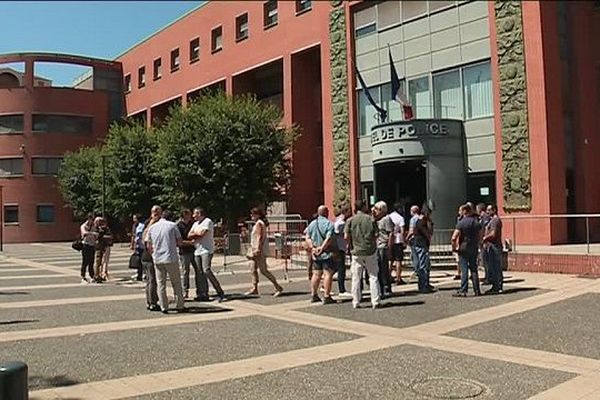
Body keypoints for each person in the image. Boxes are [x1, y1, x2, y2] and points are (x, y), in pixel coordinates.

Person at [146, 206, 186, 314]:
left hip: (158, 258)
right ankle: (180, 305)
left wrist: (153, 254)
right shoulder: (172, 226)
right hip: (170, 257)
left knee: (161, 284)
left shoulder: (152, 227)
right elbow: (179, 242)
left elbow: (148, 244)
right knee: (176, 282)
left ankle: (164, 306)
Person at [344, 199, 381, 309]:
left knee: (356, 277)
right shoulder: (371, 219)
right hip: (370, 250)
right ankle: (375, 301)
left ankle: (356, 301)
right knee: (373, 276)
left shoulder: (350, 220)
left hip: (356, 251)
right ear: (364, 207)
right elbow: (377, 235)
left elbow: (346, 236)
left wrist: (351, 245)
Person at [188, 208, 225, 302]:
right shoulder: (195, 224)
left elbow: (202, 235)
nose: (193, 216)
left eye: (195, 214)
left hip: (206, 250)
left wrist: (195, 235)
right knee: (199, 272)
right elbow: (189, 235)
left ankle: (219, 290)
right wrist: (195, 234)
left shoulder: (207, 221)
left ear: (200, 213)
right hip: (197, 250)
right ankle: (202, 293)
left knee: (206, 270)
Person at [245, 207, 283, 297]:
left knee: (263, 270)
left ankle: (278, 287)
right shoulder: (259, 223)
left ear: (257, 215)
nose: (251, 216)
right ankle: (254, 288)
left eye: (253, 214)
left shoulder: (259, 223)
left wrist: (258, 248)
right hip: (254, 249)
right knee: (252, 269)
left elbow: (259, 237)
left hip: (258, 250)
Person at [306, 205, 336, 304]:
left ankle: (314, 294)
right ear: (326, 213)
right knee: (328, 274)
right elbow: (328, 238)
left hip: (315, 255)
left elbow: (307, 237)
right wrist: (321, 248)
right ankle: (327, 296)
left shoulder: (312, 224)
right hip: (326, 253)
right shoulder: (329, 224)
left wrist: (313, 248)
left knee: (316, 274)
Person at [451, 203, 481, 297]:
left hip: (463, 247)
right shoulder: (476, 222)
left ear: (464, 211)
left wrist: (454, 247)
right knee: (474, 269)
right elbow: (480, 235)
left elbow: (454, 237)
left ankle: (463, 290)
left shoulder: (461, 222)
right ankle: (477, 290)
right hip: (473, 247)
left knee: (464, 270)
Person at [177, 208, 201, 299]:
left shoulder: (192, 224)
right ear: (184, 216)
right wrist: (190, 242)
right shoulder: (179, 226)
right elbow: (179, 240)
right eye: (188, 215)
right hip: (184, 251)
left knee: (198, 270)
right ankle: (185, 291)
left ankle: (199, 290)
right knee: (185, 272)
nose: (190, 217)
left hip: (194, 250)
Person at [412, 206, 436, 293]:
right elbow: (428, 233)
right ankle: (423, 285)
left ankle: (425, 284)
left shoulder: (420, 221)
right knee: (423, 265)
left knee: (425, 265)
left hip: (421, 244)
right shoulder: (421, 222)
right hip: (421, 244)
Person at [373, 201, 394, 297]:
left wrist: (389, 247)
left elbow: (390, 234)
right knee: (378, 268)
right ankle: (381, 287)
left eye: (376, 209)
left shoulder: (386, 219)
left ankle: (386, 287)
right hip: (377, 245)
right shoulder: (375, 219)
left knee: (383, 268)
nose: (374, 211)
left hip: (383, 246)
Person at [482, 204, 503, 294]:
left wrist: (485, 238)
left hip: (494, 247)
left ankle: (497, 287)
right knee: (492, 267)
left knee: (496, 267)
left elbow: (493, 234)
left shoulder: (495, 220)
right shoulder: (492, 220)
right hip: (491, 246)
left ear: (494, 210)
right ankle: (495, 285)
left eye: (489, 210)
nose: (487, 211)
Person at [333, 204, 352, 298]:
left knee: (336, 268)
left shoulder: (340, 220)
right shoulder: (341, 223)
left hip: (341, 247)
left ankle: (324, 285)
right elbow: (337, 233)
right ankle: (342, 289)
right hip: (339, 247)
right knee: (341, 269)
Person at [142, 215, 160, 311]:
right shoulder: (150, 232)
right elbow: (149, 246)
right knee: (152, 280)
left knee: (149, 280)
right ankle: (152, 302)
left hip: (145, 257)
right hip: (149, 257)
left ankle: (150, 301)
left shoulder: (145, 232)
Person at [388, 202, 406, 285]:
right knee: (398, 260)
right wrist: (404, 241)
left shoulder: (388, 217)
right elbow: (402, 231)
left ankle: (388, 276)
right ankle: (398, 278)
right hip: (398, 240)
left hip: (390, 240)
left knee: (390, 260)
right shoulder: (400, 218)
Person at [80, 213, 98, 284]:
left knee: (91, 261)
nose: (92, 221)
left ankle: (92, 276)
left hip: (92, 245)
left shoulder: (93, 226)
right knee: (85, 261)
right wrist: (93, 233)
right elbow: (84, 233)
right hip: (85, 245)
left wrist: (94, 234)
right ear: (88, 219)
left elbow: (96, 234)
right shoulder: (83, 226)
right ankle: (83, 276)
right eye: (91, 219)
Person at [94, 217, 113, 282]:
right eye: (98, 221)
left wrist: (102, 236)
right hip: (98, 247)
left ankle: (103, 274)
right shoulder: (95, 228)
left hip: (105, 246)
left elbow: (110, 236)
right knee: (98, 261)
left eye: (101, 221)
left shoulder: (106, 228)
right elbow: (95, 236)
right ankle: (97, 275)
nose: (100, 223)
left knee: (104, 261)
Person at [476, 202, 491, 284]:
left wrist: (482, 239)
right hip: (482, 241)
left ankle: (488, 277)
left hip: (484, 242)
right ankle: (487, 276)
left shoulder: (485, 217)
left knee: (486, 261)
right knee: (484, 260)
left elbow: (484, 229)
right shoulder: (481, 217)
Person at [130, 214, 145, 281]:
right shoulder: (136, 226)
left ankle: (141, 275)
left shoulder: (140, 226)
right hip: (140, 246)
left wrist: (135, 245)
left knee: (140, 261)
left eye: (135, 218)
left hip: (141, 246)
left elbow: (138, 237)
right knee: (140, 261)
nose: (133, 220)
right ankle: (140, 274)